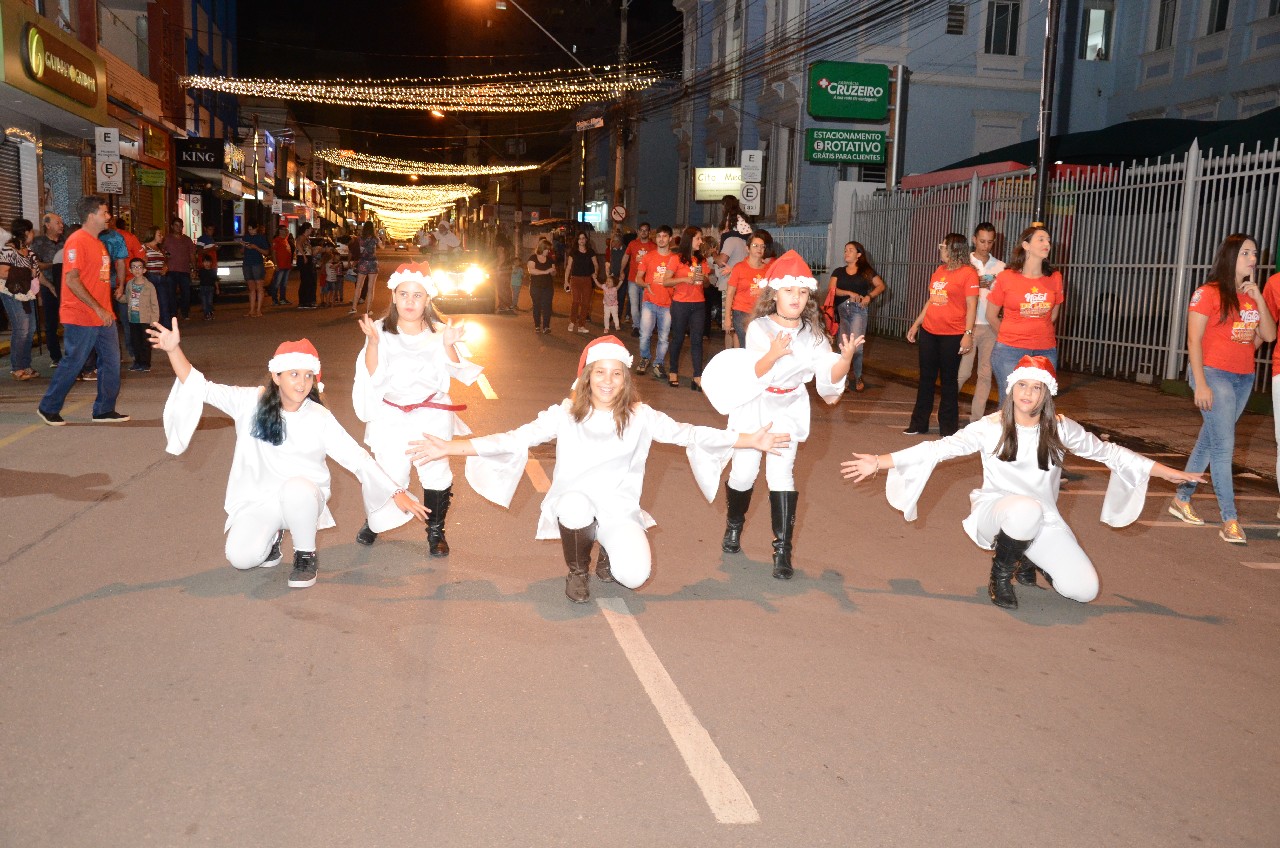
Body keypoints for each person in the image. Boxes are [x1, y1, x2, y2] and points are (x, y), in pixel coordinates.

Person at [407, 335, 790, 603]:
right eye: (600, 372)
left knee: (634, 577)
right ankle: (578, 572)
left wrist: (749, 440)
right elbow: (511, 439)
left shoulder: (641, 416)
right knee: (573, 505)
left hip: (619, 508)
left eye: (616, 373)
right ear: (587, 376)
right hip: (574, 503)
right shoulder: (565, 414)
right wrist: (450, 446)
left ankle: (608, 546)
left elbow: (689, 435)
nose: (608, 381)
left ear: (626, 379)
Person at [841, 356, 1205, 609]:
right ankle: (1001, 575)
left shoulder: (1061, 428)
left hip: (1042, 518)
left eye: (1036, 388)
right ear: (1011, 388)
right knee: (1024, 511)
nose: (1027, 394)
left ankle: (1030, 554)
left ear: (1046, 394)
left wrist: (1165, 471)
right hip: (994, 511)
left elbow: (1112, 454)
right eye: (1021, 386)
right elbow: (938, 449)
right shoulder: (991, 427)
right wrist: (881, 461)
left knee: (1084, 590)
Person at [149, 326, 428, 588]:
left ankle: (305, 555)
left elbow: (357, 458)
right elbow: (201, 387)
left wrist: (396, 491)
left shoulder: (319, 417)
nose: (302, 382)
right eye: (293, 374)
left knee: (297, 489)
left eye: (308, 375)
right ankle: (273, 537)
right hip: (260, 500)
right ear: (276, 376)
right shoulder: (250, 402)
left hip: (305, 498)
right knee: (241, 558)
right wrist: (174, 350)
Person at [701, 250, 862, 579]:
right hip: (754, 404)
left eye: (803, 292)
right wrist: (773, 354)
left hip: (788, 408)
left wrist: (844, 359)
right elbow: (755, 373)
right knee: (744, 473)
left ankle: (782, 550)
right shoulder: (759, 328)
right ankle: (734, 525)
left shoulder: (814, 336)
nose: (796, 298)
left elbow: (829, 384)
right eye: (789, 291)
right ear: (775, 293)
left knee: (781, 474)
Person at [352, 260, 481, 557]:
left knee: (436, 471)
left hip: (431, 413)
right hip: (391, 413)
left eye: (417, 295)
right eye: (404, 294)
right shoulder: (380, 330)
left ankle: (436, 531)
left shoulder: (439, 331)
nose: (410, 301)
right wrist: (372, 343)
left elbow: (459, 370)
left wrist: (448, 344)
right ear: (394, 297)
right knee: (389, 473)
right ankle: (376, 521)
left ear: (428, 299)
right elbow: (373, 376)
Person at [1168, 233, 1275, 545]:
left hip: (1243, 378)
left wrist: (1257, 297)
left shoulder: (1251, 296)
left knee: (1209, 440)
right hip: (1213, 375)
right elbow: (1193, 340)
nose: (1253, 259)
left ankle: (1181, 499)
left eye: (1254, 253)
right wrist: (1200, 382)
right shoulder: (1208, 293)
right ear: (1230, 257)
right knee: (1224, 447)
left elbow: (1267, 335)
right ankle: (1229, 518)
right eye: (1245, 253)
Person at [36, 196, 129, 425]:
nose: (109, 217)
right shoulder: (77, 241)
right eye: (104, 213)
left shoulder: (98, 242)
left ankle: (104, 410)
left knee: (111, 362)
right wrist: (98, 308)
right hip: (81, 315)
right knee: (74, 362)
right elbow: (72, 280)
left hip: (103, 316)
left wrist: (106, 307)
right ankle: (48, 407)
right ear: (91, 215)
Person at [903, 233, 980, 437]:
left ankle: (948, 428)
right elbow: (932, 299)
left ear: (954, 249)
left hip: (952, 334)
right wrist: (917, 324)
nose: (941, 249)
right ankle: (919, 423)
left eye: (943, 246)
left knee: (948, 381)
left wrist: (968, 333)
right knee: (926, 379)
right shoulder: (939, 270)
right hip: (930, 331)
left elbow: (972, 305)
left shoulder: (968, 273)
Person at [987, 225, 1064, 404]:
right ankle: (1007, 433)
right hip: (1010, 351)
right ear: (1026, 245)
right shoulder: (1007, 277)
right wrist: (1010, 336)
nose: (1047, 244)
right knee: (1010, 403)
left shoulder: (1055, 278)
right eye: (1041, 239)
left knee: (1040, 404)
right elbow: (991, 315)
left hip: (1045, 349)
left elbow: (1052, 315)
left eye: (1049, 240)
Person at [823, 240, 886, 393]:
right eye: (845, 250)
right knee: (842, 346)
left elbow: (881, 286)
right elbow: (832, 290)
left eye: (850, 250)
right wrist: (849, 293)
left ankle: (857, 376)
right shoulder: (838, 271)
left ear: (858, 254)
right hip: (842, 311)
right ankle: (841, 379)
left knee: (856, 346)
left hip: (859, 310)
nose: (846, 252)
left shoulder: (866, 271)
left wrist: (869, 297)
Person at [957, 223, 1005, 420]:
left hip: (991, 327)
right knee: (963, 372)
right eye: (982, 241)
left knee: (985, 374)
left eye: (990, 242)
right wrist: (977, 282)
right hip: (968, 325)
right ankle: (947, 411)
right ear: (974, 239)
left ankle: (976, 420)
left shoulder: (1001, 267)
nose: (985, 246)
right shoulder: (963, 263)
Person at [665, 226, 710, 391]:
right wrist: (685, 278)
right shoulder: (676, 259)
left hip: (698, 304)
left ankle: (697, 376)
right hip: (680, 304)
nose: (701, 241)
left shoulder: (702, 260)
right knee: (678, 339)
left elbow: (706, 284)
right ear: (689, 239)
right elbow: (666, 281)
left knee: (697, 340)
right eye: (698, 238)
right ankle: (673, 371)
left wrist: (704, 279)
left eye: (701, 238)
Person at [1, 218, 41, 380]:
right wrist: (26, 273)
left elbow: (36, 273)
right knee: (21, 329)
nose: (33, 234)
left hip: (28, 293)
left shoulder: (29, 252)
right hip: (11, 293)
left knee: (30, 329)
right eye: (31, 231)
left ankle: (26, 364)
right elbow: (2, 272)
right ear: (25, 232)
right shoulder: (8, 250)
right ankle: (17, 367)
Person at [634, 225, 677, 378]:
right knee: (644, 334)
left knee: (664, 338)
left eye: (665, 236)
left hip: (667, 304)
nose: (661, 239)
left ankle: (658, 363)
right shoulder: (648, 256)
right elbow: (638, 277)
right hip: (649, 302)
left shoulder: (675, 259)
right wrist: (644, 284)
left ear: (670, 239)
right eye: (659, 236)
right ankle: (645, 358)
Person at [724, 230, 773, 345]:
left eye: (762, 246)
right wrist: (727, 317)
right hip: (741, 312)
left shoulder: (768, 269)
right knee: (746, 344)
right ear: (748, 248)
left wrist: (764, 292)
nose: (759, 249)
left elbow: (773, 293)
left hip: (761, 313)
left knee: (759, 346)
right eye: (755, 246)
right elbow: (730, 293)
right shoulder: (739, 268)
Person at [32, 212, 66, 369]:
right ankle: (56, 357)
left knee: (70, 322)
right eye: (58, 223)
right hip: (48, 285)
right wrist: (55, 264)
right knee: (51, 323)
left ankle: (73, 355)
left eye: (61, 223)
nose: (61, 225)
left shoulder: (66, 241)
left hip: (67, 286)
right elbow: (35, 264)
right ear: (48, 225)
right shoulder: (38, 243)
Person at [116, 257, 159, 372]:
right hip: (133, 319)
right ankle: (138, 361)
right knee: (135, 342)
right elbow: (127, 299)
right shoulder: (129, 284)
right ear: (130, 270)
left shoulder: (149, 286)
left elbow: (154, 304)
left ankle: (145, 363)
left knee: (145, 342)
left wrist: (154, 320)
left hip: (145, 319)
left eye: (139, 267)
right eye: (134, 267)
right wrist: (120, 298)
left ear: (144, 270)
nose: (137, 270)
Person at [620, 222, 654, 337]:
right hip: (633, 280)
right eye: (641, 230)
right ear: (638, 231)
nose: (643, 232)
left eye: (646, 230)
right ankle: (636, 326)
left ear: (649, 232)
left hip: (646, 281)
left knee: (644, 305)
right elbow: (625, 257)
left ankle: (644, 327)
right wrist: (621, 271)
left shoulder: (653, 246)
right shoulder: (633, 244)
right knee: (634, 305)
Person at [162, 218, 196, 320]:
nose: (178, 227)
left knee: (186, 293)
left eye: (180, 225)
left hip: (184, 270)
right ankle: (173, 313)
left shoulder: (187, 239)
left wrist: (194, 269)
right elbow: (162, 251)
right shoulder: (167, 239)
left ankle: (185, 312)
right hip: (171, 270)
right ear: (172, 226)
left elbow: (192, 255)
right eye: (176, 225)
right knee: (171, 293)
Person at [564, 231, 598, 334]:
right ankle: (572, 321)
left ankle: (581, 325)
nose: (582, 240)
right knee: (576, 301)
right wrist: (566, 281)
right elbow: (569, 267)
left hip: (587, 279)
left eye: (583, 238)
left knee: (586, 303)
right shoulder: (573, 252)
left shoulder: (590, 251)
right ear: (577, 240)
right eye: (579, 238)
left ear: (586, 240)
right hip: (575, 279)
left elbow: (596, 264)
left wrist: (595, 272)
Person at [141, 225, 172, 326]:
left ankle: (166, 329)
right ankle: (152, 328)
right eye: (159, 234)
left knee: (164, 304)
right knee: (152, 305)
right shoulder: (144, 247)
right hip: (150, 277)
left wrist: (165, 267)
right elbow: (141, 262)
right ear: (152, 235)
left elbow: (164, 262)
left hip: (161, 278)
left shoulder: (160, 249)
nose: (161, 236)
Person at [526, 238, 556, 333]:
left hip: (548, 286)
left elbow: (553, 272)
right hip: (536, 286)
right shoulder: (533, 258)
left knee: (547, 306)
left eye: (549, 249)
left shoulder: (550, 260)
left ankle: (546, 326)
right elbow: (531, 270)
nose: (548, 251)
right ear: (542, 248)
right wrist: (546, 271)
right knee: (537, 305)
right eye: (547, 249)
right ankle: (537, 325)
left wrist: (553, 271)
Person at [241, 222, 270, 318]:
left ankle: (258, 310)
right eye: (249, 229)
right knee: (251, 288)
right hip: (247, 263)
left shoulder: (261, 237)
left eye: (252, 229)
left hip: (257, 263)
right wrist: (243, 246)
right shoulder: (246, 237)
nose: (250, 231)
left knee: (259, 287)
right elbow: (242, 252)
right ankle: (251, 310)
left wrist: (255, 247)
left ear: (256, 228)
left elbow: (266, 252)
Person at [295, 222, 317, 309]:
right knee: (307, 280)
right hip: (304, 259)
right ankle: (305, 301)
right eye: (311, 228)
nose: (311, 230)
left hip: (306, 258)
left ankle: (305, 301)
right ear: (307, 229)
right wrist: (304, 256)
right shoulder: (302, 237)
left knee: (307, 280)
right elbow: (298, 245)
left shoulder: (306, 238)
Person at [197, 253, 218, 320]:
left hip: (210, 288)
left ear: (211, 263)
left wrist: (217, 288)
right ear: (203, 263)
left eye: (208, 262)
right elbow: (197, 277)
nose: (206, 263)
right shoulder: (201, 271)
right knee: (204, 302)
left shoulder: (213, 271)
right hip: (203, 288)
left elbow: (215, 280)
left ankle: (210, 312)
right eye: (205, 262)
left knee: (209, 301)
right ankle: (206, 314)